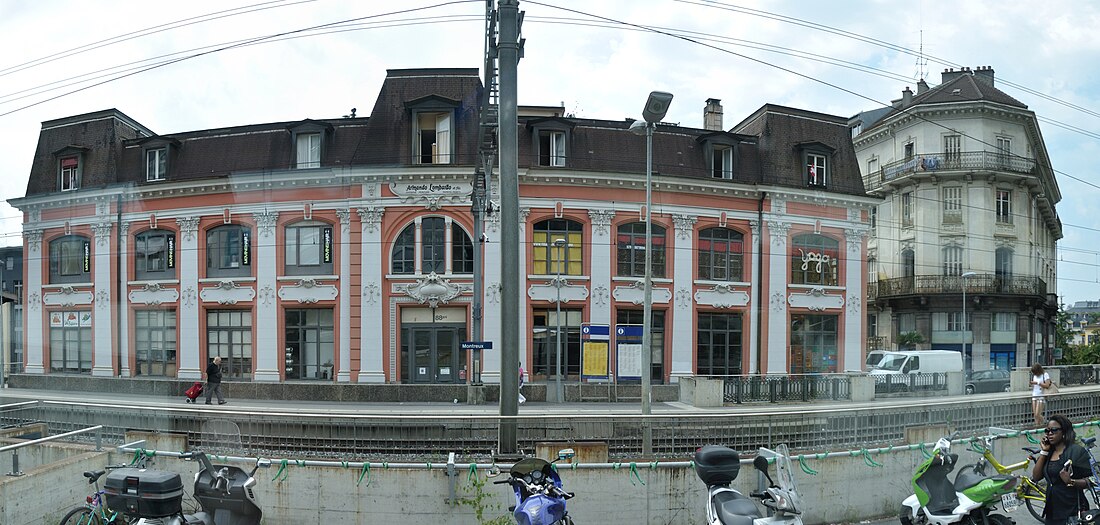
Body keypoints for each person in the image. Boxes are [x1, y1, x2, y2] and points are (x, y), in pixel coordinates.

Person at [1032, 414, 1091, 525]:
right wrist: (1044, 452)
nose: (1049, 433)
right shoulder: (1049, 453)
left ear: (1064, 432)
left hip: (1072, 510)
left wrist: (1071, 481)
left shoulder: (1076, 452)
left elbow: (1090, 481)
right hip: (1052, 510)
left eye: (1054, 430)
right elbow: (1036, 476)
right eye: (1047, 431)